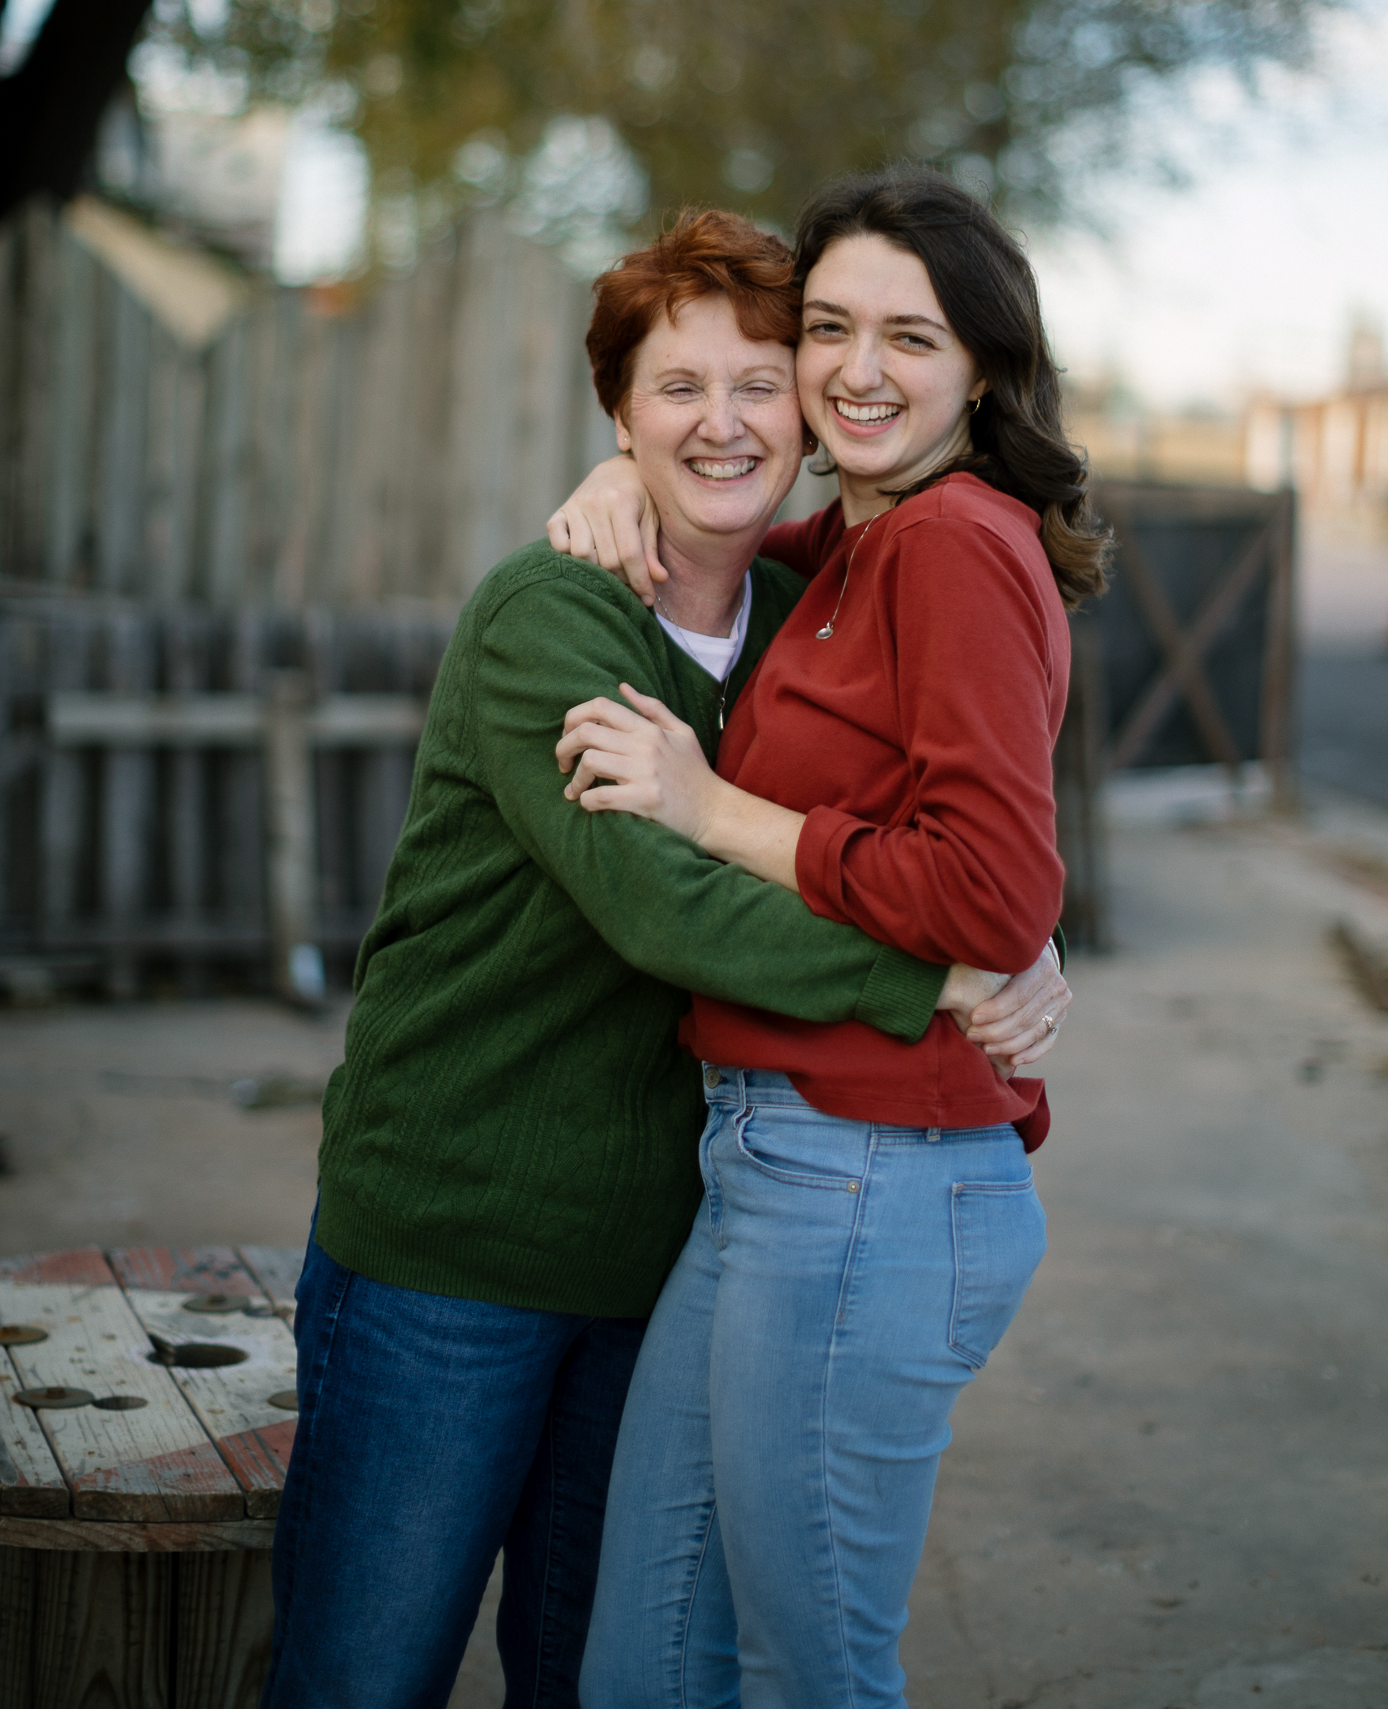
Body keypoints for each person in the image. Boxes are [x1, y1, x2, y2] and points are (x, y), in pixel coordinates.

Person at [260, 208, 1059, 1709]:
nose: (725, 419)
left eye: (762, 379)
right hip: (459, 1248)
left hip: (666, 1256)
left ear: (809, 415)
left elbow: (941, 797)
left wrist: (1027, 930)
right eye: (675, 387)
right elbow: (660, 899)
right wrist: (929, 979)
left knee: (597, 1669)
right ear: (618, 414)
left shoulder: (805, 611)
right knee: (364, 1674)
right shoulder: (547, 616)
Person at [548, 164, 1106, 1709]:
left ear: (984, 367)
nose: (861, 370)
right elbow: (727, 539)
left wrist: (711, 807)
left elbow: (996, 891)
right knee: (648, 1662)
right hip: (776, 1165)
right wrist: (622, 484)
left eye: (912, 338)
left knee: (815, 1676)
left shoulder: (950, 545)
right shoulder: (860, 547)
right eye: (834, 329)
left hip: (871, 1177)